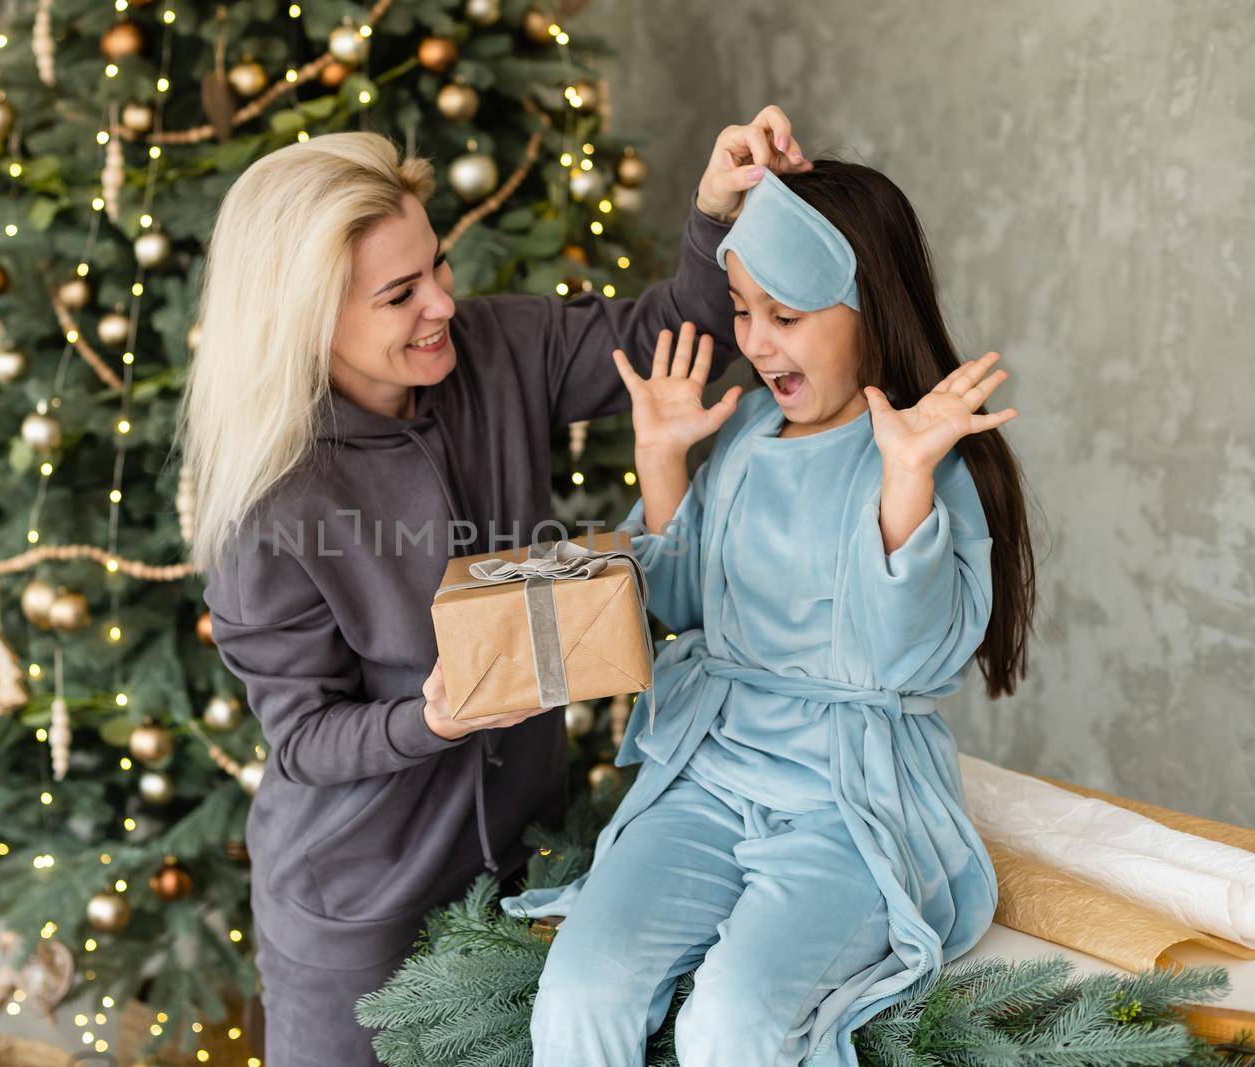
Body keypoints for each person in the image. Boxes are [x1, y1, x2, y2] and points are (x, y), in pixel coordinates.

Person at [178, 109, 810, 1064]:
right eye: (400, 294)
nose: (443, 302)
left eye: (436, 264)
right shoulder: (271, 506)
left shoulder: (498, 346)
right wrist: (430, 718)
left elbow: (670, 330)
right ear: (307, 319)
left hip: (525, 871)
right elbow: (303, 738)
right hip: (361, 913)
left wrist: (717, 212)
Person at [503, 162, 1037, 1065]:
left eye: (785, 316)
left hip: (848, 795)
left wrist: (904, 481)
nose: (754, 339)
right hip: (710, 771)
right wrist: (663, 461)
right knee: (583, 985)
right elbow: (672, 603)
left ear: (871, 307)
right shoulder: (748, 430)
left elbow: (904, 656)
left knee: (733, 1024)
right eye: (743, 308)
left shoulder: (932, 460)